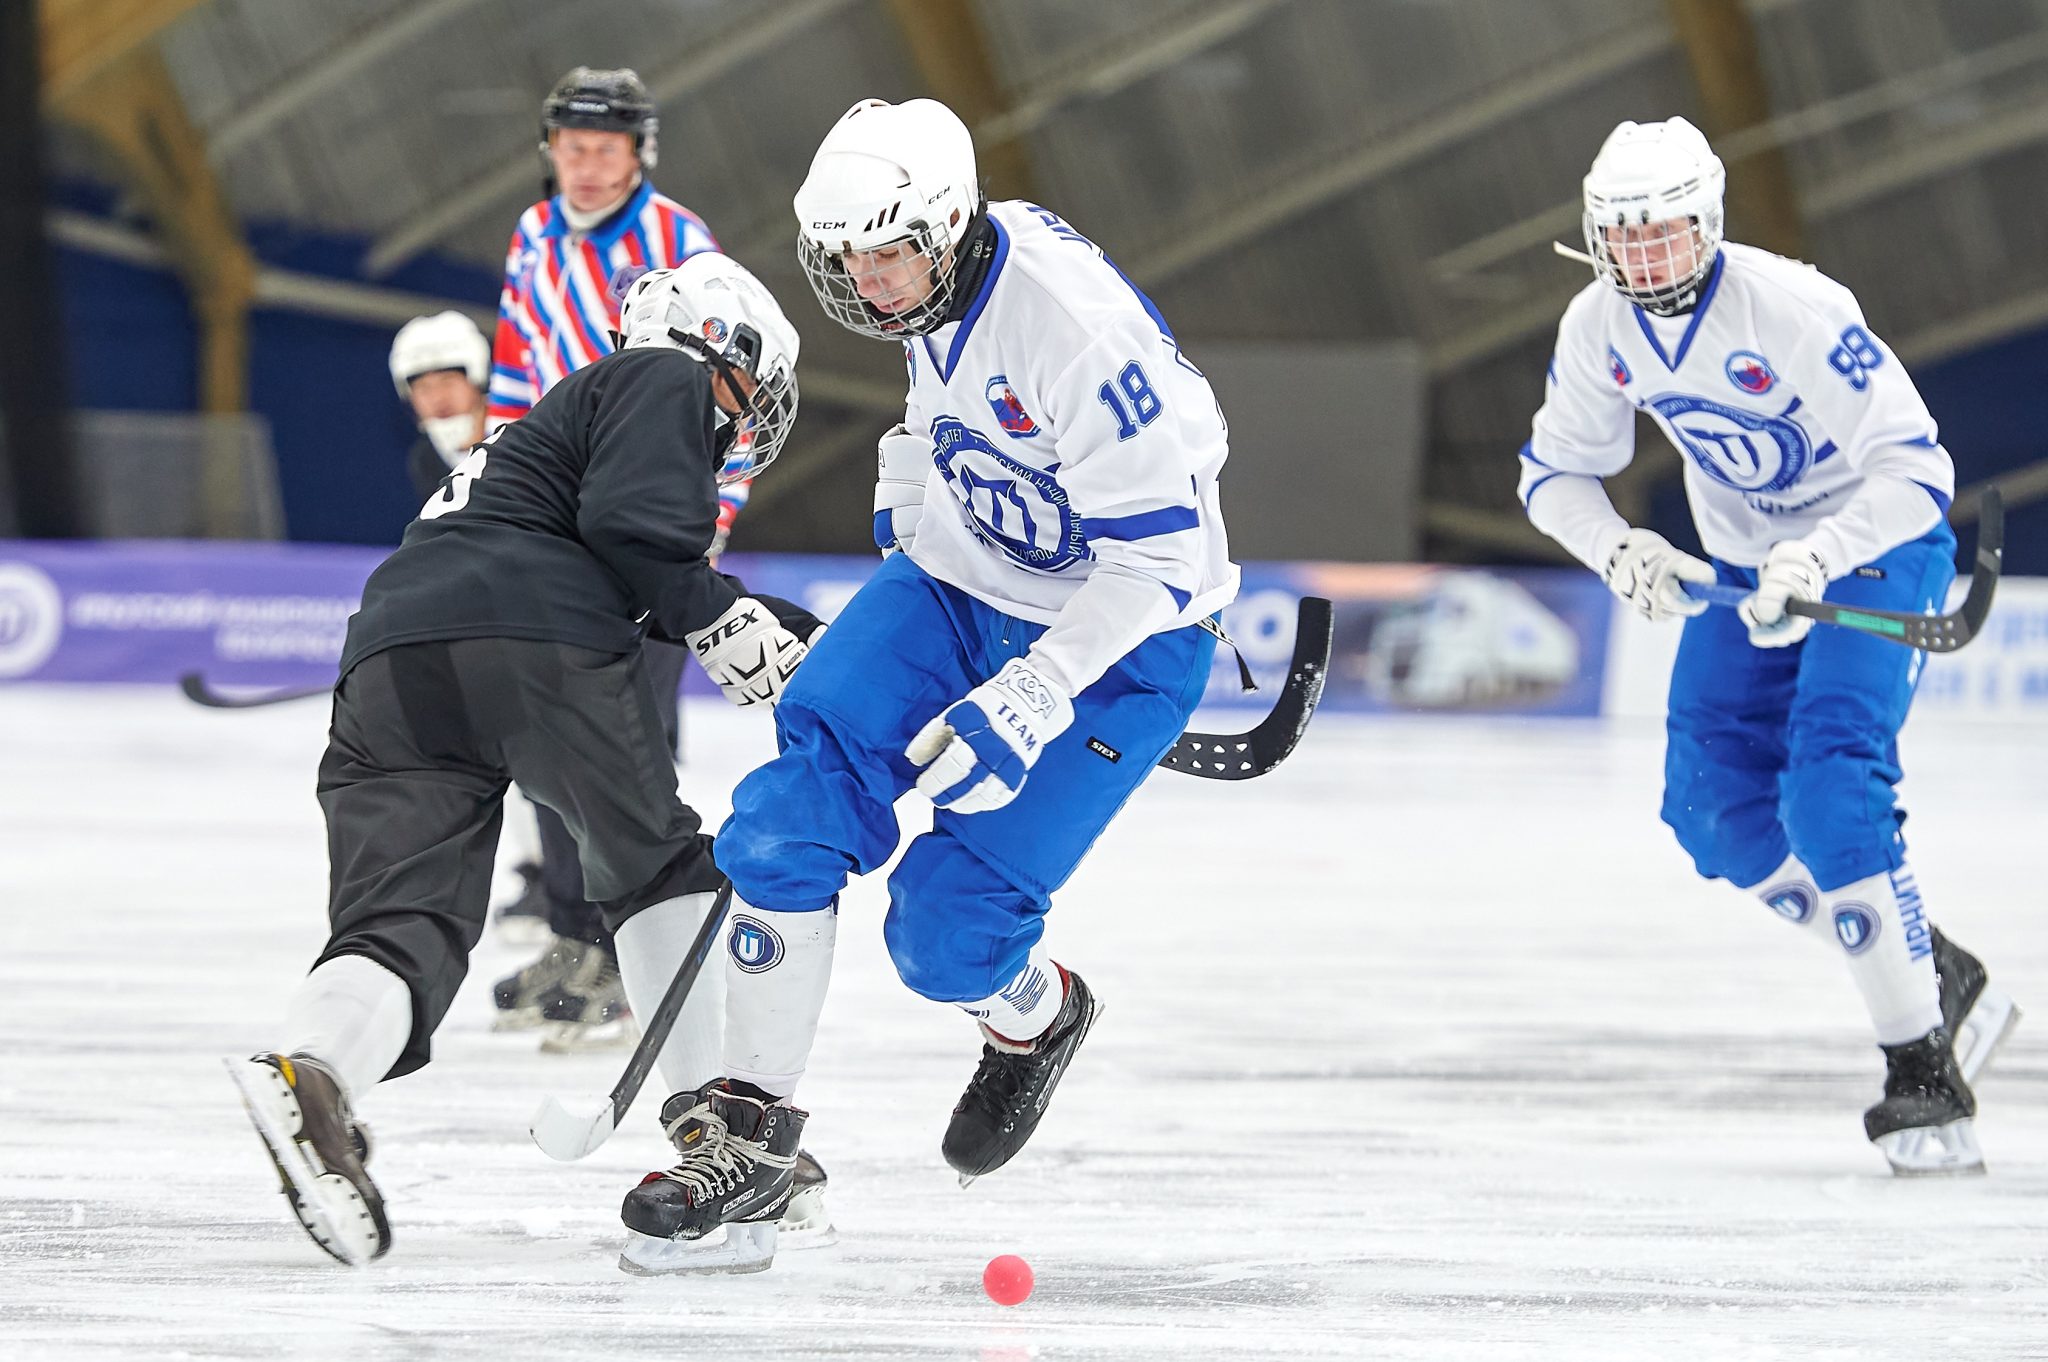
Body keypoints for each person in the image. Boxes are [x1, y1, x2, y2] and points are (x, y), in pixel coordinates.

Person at [612, 97, 1240, 1276]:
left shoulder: (1078, 335)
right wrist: (912, 467)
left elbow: (1156, 559)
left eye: (888, 252)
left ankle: (1036, 1015)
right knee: (787, 817)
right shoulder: (930, 269)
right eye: (844, 256)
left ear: (949, 225)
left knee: (945, 937)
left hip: (1123, 631)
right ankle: (750, 1132)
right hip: (958, 581)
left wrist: (1034, 690)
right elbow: (948, 382)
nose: (868, 279)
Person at [227, 257, 832, 1265]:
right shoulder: (664, 375)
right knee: (655, 866)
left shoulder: (546, 437)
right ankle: (712, 1136)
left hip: (390, 661)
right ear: (724, 347)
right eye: (751, 390)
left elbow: (646, 558)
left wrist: (803, 641)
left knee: (401, 923)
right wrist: (718, 618)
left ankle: (316, 1079)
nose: (745, 419)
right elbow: (637, 539)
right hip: (533, 635)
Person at [1517, 116, 2019, 1175]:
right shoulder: (1593, 328)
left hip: (1872, 549)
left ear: (1704, 224)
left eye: (1661, 237)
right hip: (1743, 563)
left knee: (1831, 798)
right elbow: (1550, 477)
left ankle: (1917, 1066)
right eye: (1621, 240)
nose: (1642, 263)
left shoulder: (1793, 307)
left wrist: (1818, 555)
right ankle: (1931, 969)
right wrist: (1621, 551)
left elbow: (1914, 472)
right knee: (1710, 817)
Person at [480, 67, 747, 1051]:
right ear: (551, 148)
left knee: (628, 738)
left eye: (606, 150)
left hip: (643, 516)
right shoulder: (534, 232)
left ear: (640, 154)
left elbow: (736, 387)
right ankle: (573, 933)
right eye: (571, 148)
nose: (586, 168)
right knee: (540, 730)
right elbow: (513, 367)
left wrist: (714, 514)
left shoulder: (682, 244)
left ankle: (636, 943)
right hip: (550, 516)